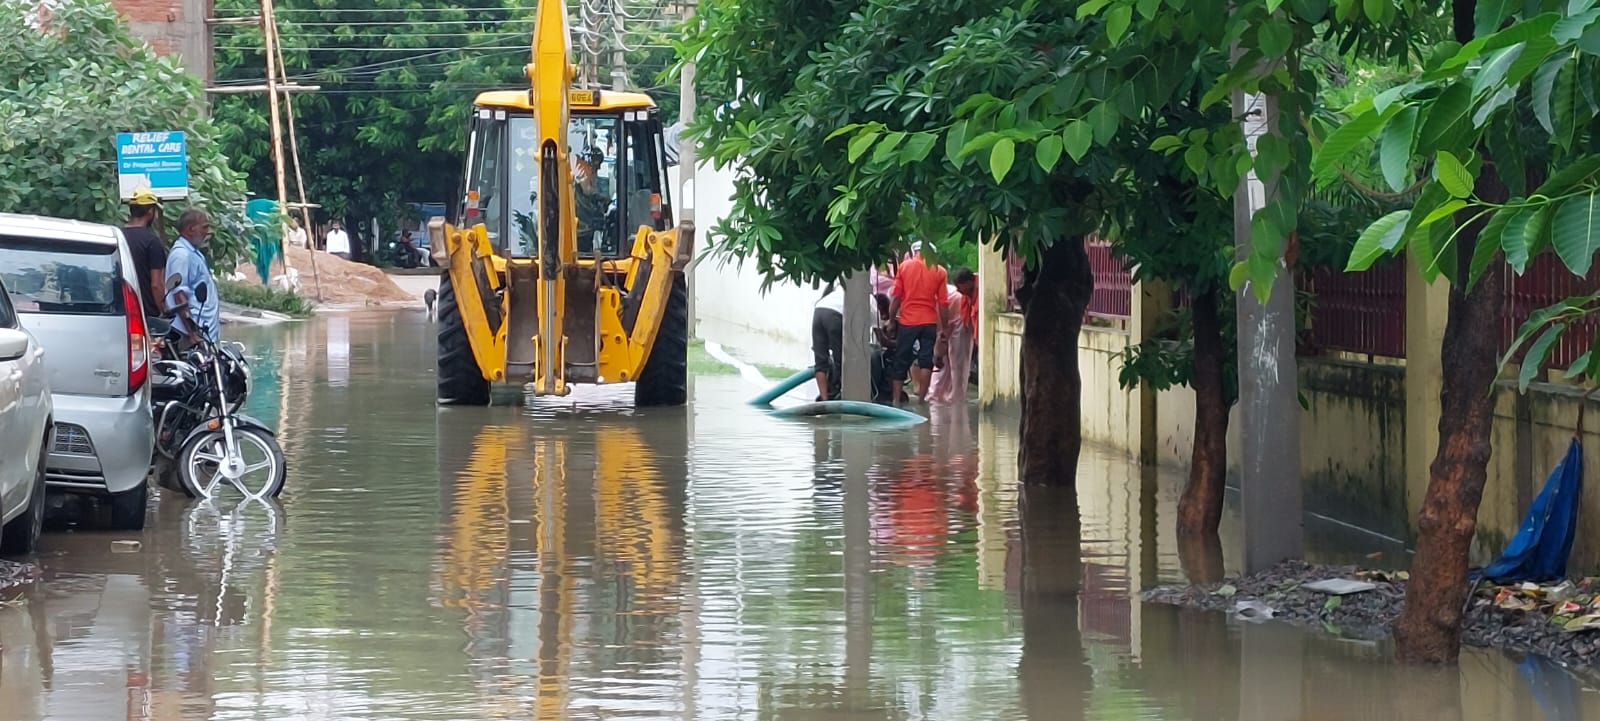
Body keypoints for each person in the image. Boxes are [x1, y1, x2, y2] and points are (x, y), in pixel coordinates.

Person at [889, 241, 948, 405]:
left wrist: (891, 320)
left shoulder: (904, 267)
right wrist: (944, 328)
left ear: (915, 251)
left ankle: (895, 400)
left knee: (901, 359)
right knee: (926, 360)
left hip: (908, 321)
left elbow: (896, 297)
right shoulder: (940, 271)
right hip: (929, 321)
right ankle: (922, 400)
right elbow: (943, 303)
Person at [164, 209, 221, 346]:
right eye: (204, 227)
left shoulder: (193, 253)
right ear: (190, 229)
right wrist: (192, 333)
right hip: (192, 335)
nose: (208, 232)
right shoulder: (182, 256)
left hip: (204, 332)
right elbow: (179, 296)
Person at [928, 267, 978, 404]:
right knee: (952, 362)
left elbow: (942, 331)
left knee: (958, 361)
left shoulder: (949, 296)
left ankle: (954, 396)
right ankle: (943, 394)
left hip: (959, 321)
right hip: (952, 320)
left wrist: (938, 351)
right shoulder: (944, 295)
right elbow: (941, 332)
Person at [121, 189, 167, 319]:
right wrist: (163, 310)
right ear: (150, 212)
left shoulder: (117, 236)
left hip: (119, 312)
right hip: (146, 315)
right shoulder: (152, 242)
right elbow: (156, 284)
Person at [811, 283, 845, 401]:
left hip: (818, 311)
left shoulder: (834, 293)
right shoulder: (867, 297)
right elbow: (877, 328)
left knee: (820, 361)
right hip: (834, 315)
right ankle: (843, 396)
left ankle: (824, 399)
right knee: (841, 360)